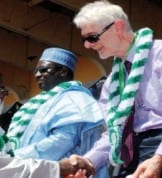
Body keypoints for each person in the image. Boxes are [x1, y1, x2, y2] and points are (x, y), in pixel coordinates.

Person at [62, 0, 162, 177]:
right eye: (84, 40)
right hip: (131, 158)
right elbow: (113, 133)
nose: (87, 45)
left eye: (92, 37)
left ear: (118, 27)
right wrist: (88, 162)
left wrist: (158, 159)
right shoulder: (111, 82)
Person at [6, 47, 109, 178]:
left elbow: (63, 141)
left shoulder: (75, 99)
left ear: (63, 71)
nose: (37, 75)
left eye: (44, 70)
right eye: (36, 71)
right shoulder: (44, 101)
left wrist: (17, 158)